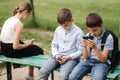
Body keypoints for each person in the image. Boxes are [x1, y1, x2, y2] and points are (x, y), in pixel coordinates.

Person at [0, 2, 44, 80]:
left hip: (4, 49)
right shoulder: (19, 24)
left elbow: (9, 38)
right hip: (11, 51)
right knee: (38, 50)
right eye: (29, 15)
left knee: (31, 48)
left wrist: (24, 44)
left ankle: (30, 75)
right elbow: (15, 46)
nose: (28, 17)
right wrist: (27, 44)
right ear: (25, 12)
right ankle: (42, 77)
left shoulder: (9, 19)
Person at [39, 8, 84, 80]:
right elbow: (54, 45)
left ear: (72, 20)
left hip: (71, 59)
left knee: (64, 76)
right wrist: (56, 55)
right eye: (61, 25)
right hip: (57, 57)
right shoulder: (58, 29)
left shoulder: (78, 32)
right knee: (42, 72)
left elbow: (81, 51)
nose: (63, 28)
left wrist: (69, 57)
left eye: (66, 25)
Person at [69, 13, 113, 80]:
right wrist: (84, 47)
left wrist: (95, 48)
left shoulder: (108, 37)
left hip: (101, 64)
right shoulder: (89, 35)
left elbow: (103, 59)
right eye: (90, 30)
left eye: (95, 30)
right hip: (88, 61)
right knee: (72, 77)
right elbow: (86, 57)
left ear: (102, 25)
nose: (93, 32)